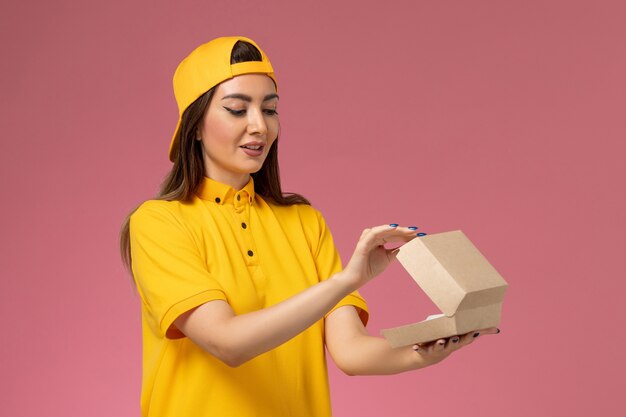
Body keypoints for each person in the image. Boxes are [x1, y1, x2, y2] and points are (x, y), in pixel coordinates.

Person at [119, 36, 498, 417]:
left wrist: (426, 347)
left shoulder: (305, 222)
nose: (259, 126)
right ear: (195, 126)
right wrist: (346, 281)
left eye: (270, 110)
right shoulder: (158, 223)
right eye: (237, 109)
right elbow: (227, 342)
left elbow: (351, 352)